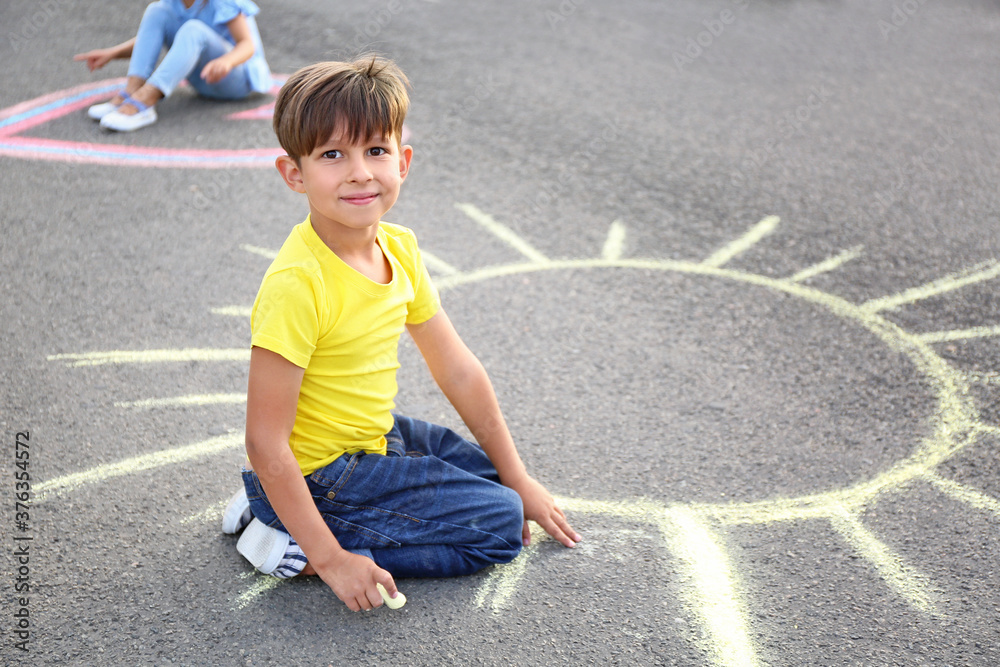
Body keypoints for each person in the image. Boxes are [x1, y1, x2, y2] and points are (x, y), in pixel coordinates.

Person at [220, 56, 581, 612]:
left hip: (371, 436)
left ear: (403, 161)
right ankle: (298, 540)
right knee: (502, 525)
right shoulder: (298, 284)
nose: (360, 171)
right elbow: (265, 441)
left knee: (503, 485)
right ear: (294, 174)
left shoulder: (401, 248)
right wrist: (335, 561)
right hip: (323, 473)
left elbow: (456, 368)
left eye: (376, 150)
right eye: (332, 154)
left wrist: (520, 475)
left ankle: (273, 510)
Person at [73, 0, 271, 132]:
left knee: (193, 29)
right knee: (156, 11)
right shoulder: (174, 2)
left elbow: (247, 45)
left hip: (238, 80)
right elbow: (151, 38)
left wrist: (226, 61)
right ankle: (132, 90)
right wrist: (113, 53)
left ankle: (146, 101)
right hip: (204, 79)